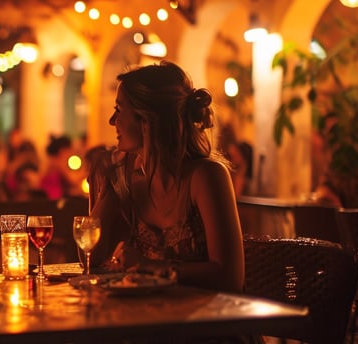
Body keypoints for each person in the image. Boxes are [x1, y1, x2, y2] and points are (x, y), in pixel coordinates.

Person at [92, 61, 244, 294]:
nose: (113, 121)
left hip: (210, 322)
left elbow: (229, 277)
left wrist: (151, 266)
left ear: (147, 119)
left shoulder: (206, 176)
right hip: (151, 319)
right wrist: (110, 191)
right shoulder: (126, 179)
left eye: (120, 110)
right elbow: (90, 260)